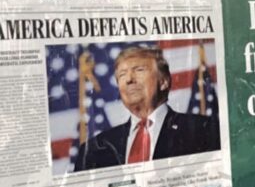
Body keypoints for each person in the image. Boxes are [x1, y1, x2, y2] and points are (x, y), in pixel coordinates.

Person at [73, 46, 219, 172]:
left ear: (163, 82)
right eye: (122, 75)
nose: (129, 79)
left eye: (139, 70)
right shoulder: (92, 150)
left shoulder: (204, 130)